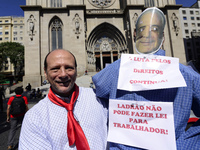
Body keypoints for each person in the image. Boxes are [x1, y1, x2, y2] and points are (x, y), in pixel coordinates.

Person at [92, 7, 200, 150]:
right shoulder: (187, 74)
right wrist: (184, 144)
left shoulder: (117, 68)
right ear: (163, 37)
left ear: (135, 35)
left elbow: (98, 87)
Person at [19, 49, 107, 149]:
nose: (63, 74)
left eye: (69, 68)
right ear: (45, 72)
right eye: (55, 69)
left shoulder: (98, 99)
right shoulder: (34, 117)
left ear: (76, 70)